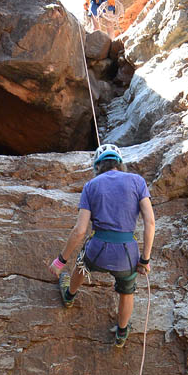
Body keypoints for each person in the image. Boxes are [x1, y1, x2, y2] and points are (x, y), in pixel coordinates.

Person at [49, 143, 155, 347]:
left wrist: (61, 261)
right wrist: (145, 260)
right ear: (120, 164)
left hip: (98, 251)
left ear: (98, 166)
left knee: (83, 262)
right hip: (126, 254)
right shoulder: (137, 181)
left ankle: (69, 295)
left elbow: (80, 230)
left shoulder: (91, 185)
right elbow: (150, 222)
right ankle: (121, 334)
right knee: (127, 290)